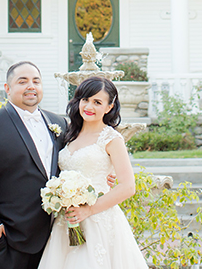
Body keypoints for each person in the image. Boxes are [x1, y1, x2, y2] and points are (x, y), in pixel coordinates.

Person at [37, 76, 149, 269]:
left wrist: (88, 210)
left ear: (109, 107)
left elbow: (128, 186)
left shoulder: (112, 138)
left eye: (97, 102)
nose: (89, 106)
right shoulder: (70, 134)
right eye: (85, 99)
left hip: (99, 219)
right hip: (67, 220)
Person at [0, 61, 68, 269]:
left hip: (56, 235)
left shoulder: (59, 123)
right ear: (8, 88)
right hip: (12, 237)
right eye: (23, 81)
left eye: (36, 81)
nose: (31, 86)